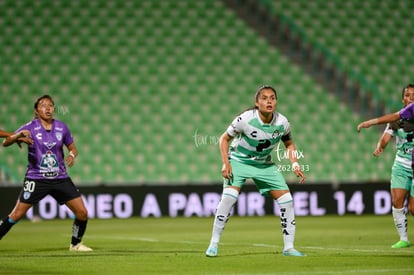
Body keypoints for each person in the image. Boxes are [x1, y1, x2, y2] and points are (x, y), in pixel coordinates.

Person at [205, 85, 306, 257]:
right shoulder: (245, 119)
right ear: (257, 103)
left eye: (272, 98)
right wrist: (225, 163)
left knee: (287, 200)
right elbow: (224, 139)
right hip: (238, 162)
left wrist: (295, 164)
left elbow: (289, 143)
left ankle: (288, 248)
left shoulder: (282, 122)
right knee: (229, 199)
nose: (269, 101)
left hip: (264, 165)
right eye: (264, 98)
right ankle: (213, 244)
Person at [0, 95, 93, 251]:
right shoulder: (29, 127)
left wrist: (71, 155)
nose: (48, 108)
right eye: (43, 105)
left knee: (82, 212)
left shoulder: (62, 127)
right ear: (36, 111)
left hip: (60, 178)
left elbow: (73, 148)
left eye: (50, 105)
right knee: (15, 215)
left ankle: (75, 244)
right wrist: (17, 136)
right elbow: (5, 142)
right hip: (36, 179)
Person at [357, 84, 414, 248]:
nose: (411, 98)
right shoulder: (397, 121)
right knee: (397, 201)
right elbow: (387, 135)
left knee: (413, 208)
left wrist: (369, 122)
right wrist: (381, 146)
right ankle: (404, 239)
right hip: (401, 165)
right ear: (403, 99)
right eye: (408, 95)